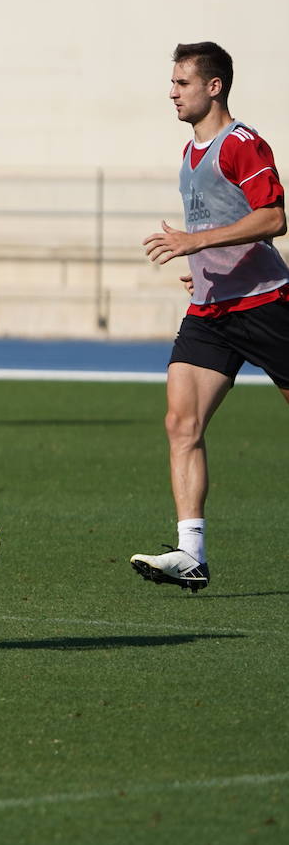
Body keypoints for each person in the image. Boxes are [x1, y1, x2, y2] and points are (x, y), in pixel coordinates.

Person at [131, 42, 289, 593]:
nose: (172, 92)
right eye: (172, 82)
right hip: (211, 309)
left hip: (268, 305)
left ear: (213, 86)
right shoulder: (189, 152)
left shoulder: (241, 144)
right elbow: (224, 224)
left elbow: (273, 216)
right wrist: (202, 265)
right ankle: (191, 553)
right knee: (181, 423)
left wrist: (196, 242)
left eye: (181, 82)